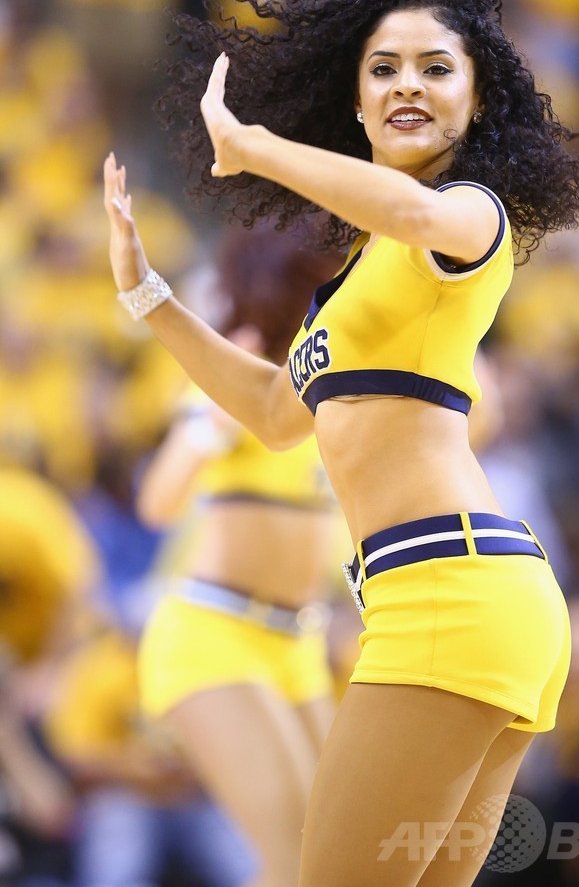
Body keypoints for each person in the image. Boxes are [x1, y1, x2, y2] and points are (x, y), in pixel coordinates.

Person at [103, 0, 579, 887]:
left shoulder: (469, 212)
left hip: (447, 589)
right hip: (460, 595)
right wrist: (150, 299)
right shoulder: (351, 284)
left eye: (435, 68)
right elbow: (273, 412)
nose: (406, 84)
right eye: (383, 69)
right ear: (355, 100)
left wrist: (252, 148)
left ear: (478, 102)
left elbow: (413, 215)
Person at [134, 223, 345, 887]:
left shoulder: (336, 390)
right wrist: (208, 427)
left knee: (339, 856)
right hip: (214, 636)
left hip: (299, 645)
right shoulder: (237, 371)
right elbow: (157, 502)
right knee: (293, 857)